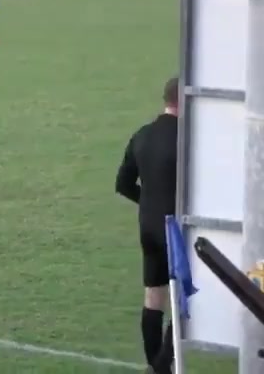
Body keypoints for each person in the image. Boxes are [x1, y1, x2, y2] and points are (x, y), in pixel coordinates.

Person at [115, 77, 179, 374]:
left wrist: (150, 203)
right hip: (176, 230)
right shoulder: (188, 136)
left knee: (154, 295)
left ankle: (155, 365)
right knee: (186, 298)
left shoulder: (142, 134)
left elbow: (123, 183)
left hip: (148, 227)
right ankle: (163, 364)